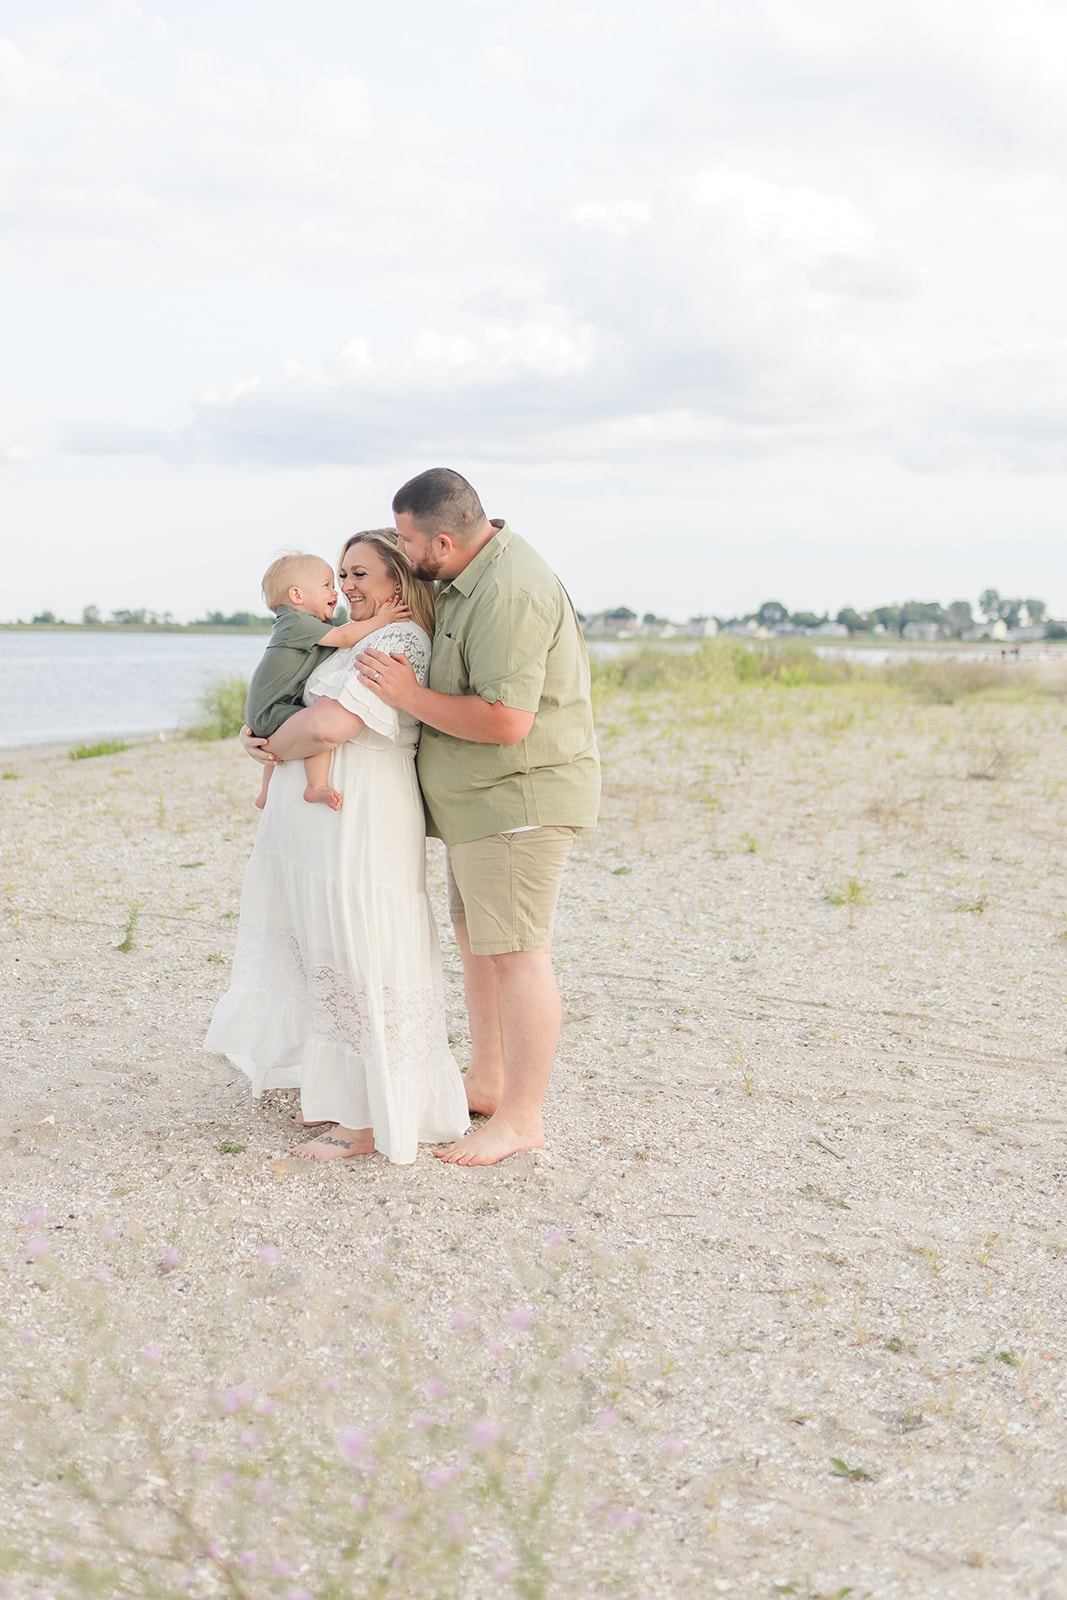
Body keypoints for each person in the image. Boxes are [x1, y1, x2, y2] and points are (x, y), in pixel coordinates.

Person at [355, 468, 600, 1167]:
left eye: (406, 540)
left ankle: (522, 1117)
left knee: (520, 954)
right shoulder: (461, 578)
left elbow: (506, 721)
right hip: (476, 808)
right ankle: (488, 1081)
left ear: (440, 538)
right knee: (481, 946)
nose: (402, 554)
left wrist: (405, 694)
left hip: (516, 801)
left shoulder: (509, 590)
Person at [205, 531, 470, 1164]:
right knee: (322, 949)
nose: (348, 587)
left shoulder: (399, 640)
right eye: (342, 576)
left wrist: (277, 742)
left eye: (360, 575)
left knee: (361, 949)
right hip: (315, 827)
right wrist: (257, 736)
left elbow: (330, 724)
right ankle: (335, 1090)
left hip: (364, 817)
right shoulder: (342, 638)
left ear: (397, 585)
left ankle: (367, 1119)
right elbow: (291, 708)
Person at [245, 551, 408, 813]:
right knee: (313, 725)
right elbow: (344, 638)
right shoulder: (296, 622)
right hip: (272, 708)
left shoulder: (305, 623)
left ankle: (266, 793)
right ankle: (316, 785)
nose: (337, 591)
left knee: (305, 722)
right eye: (327, 586)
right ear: (297, 596)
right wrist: (382, 619)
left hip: (266, 707)